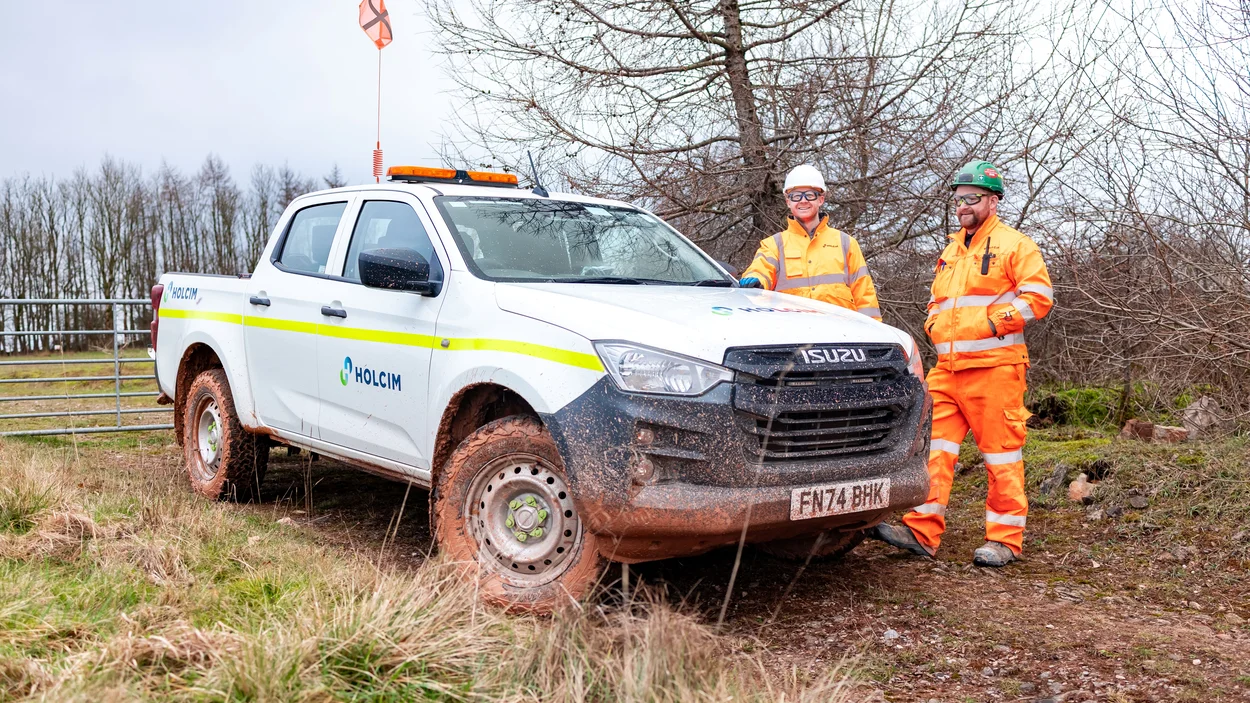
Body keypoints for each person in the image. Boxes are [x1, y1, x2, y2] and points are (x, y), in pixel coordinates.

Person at [870, 160, 1054, 567]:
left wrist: (993, 322)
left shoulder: (1015, 245)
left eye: (971, 198)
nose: (962, 205)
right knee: (931, 450)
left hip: (995, 369)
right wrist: (933, 322)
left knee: (1000, 456)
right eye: (958, 198)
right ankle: (921, 531)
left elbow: (1038, 297)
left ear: (993, 201)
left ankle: (1005, 540)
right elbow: (937, 300)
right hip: (948, 370)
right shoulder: (951, 250)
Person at [738, 165, 881, 320]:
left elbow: (865, 295)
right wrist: (756, 281)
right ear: (788, 201)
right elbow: (760, 270)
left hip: (840, 335)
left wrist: (875, 333)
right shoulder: (774, 245)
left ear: (821, 199)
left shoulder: (846, 243)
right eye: (796, 196)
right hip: (794, 335)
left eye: (810, 195)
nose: (803, 201)